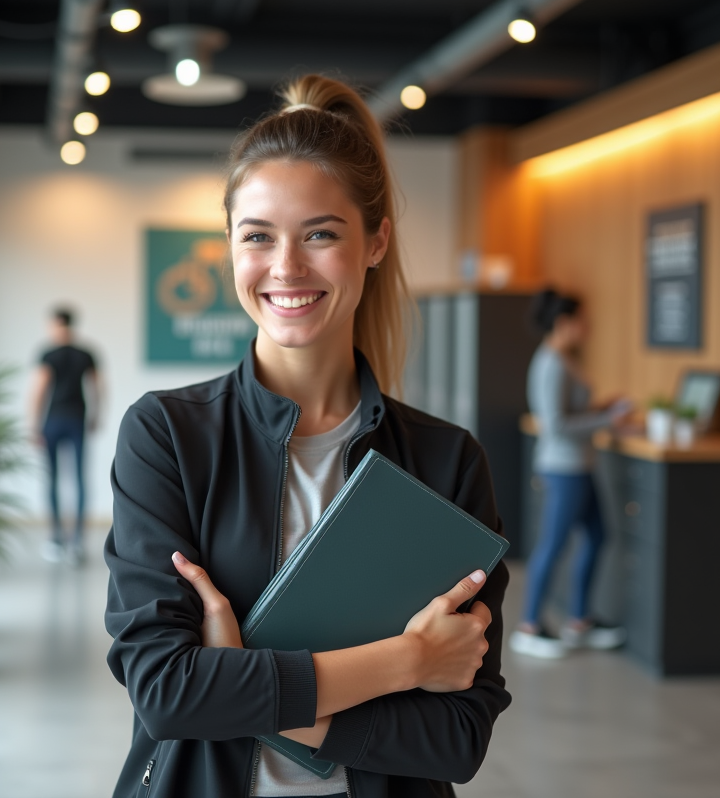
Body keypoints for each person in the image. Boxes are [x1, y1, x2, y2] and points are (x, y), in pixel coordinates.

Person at [103, 75, 510, 798]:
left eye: (321, 234)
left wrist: (246, 686)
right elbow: (167, 692)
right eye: (258, 236)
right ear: (230, 245)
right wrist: (409, 662)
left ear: (376, 241)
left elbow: (457, 741)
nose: (286, 268)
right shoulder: (166, 436)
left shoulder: (446, 462)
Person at [510, 289, 631, 660]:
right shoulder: (551, 363)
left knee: (598, 536)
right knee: (553, 545)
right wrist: (608, 419)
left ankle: (579, 619)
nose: (588, 325)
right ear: (564, 323)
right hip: (564, 468)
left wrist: (601, 407)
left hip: (581, 464)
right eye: (582, 319)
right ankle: (529, 625)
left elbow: (572, 410)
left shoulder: (565, 359)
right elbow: (557, 425)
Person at [29, 307, 101, 565]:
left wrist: (34, 425)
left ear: (55, 325)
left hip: (54, 420)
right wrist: (95, 415)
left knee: (55, 479)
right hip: (77, 419)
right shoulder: (86, 354)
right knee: (78, 478)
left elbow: (39, 390)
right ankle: (76, 542)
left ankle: (57, 539)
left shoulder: (48, 353)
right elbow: (97, 387)